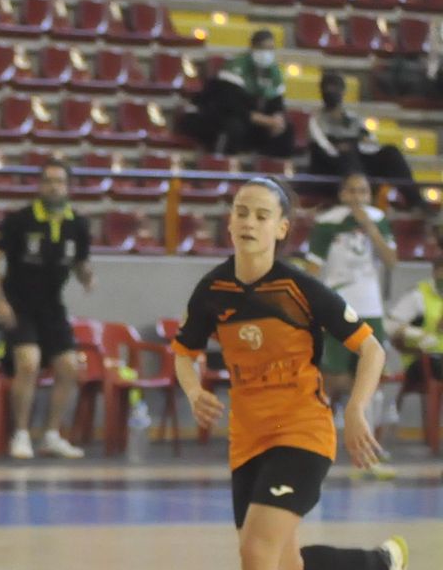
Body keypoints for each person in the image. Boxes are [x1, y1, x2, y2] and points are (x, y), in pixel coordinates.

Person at [169, 176, 411, 570]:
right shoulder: (213, 290)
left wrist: (355, 410)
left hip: (303, 431)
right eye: (241, 212)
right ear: (230, 222)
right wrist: (193, 391)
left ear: (281, 229)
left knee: (255, 552)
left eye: (261, 215)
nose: (248, 222)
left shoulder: (300, 289)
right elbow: (184, 351)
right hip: (247, 439)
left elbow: (371, 349)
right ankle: (381, 562)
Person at [0, 159, 90, 459]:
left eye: (59, 181)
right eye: (48, 181)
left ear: (68, 187)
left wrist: (87, 277)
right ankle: (20, 434)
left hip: (52, 306)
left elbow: (80, 262)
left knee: (69, 366)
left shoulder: (78, 224)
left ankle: (51, 435)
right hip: (19, 304)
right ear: (40, 186)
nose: (54, 187)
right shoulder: (20, 220)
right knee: (29, 362)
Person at [304, 172, 399, 478]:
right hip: (339, 308)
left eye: (363, 191)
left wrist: (370, 228)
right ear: (343, 194)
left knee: (371, 380)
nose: (358, 197)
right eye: (353, 191)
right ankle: (318, 443)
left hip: (371, 308)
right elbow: (313, 268)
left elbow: (391, 260)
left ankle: (368, 454)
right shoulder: (327, 222)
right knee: (333, 379)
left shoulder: (378, 219)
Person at [307, 72, 425, 211]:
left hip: (357, 159)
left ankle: (415, 201)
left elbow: (371, 142)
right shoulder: (316, 120)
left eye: (336, 88)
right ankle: (361, 200)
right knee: (348, 154)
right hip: (331, 165)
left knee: (391, 152)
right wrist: (348, 145)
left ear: (343, 91)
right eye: (328, 88)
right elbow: (325, 147)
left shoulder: (353, 119)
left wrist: (352, 144)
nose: (332, 92)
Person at [178, 29, 295, 159]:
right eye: (262, 48)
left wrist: (277, 119)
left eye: (270, 49)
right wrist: (268, 121)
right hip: (220, 117)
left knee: (285, 129)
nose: (266, 53)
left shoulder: (274, 72)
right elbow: (233, 108)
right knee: (234, 126)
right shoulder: (234, 68)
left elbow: (277, 103)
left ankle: (272, 167)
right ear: (253, 47)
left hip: (254, 122)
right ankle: (221, 163)